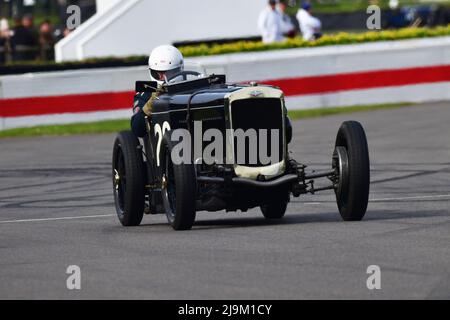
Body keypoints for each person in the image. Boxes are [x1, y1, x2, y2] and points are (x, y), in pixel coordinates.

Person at [131, 45, 184, 138]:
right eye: (158, 74)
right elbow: (138, 130)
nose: (163, 78)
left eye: (169, 73)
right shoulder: (145, 92)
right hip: (163, 144)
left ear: (179, 70)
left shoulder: (190, 86)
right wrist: (151, 103)